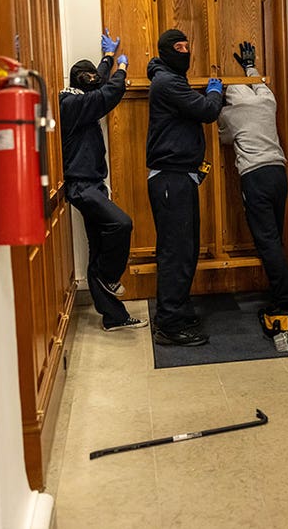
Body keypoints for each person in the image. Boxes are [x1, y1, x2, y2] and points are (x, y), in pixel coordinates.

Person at [60, 29, 147, 331]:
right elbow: (107, 93)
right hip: (82, 186)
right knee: (121, 224)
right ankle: (110, 277)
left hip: (93, 183)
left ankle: (114, 317)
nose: (95, 79)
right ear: (82, 81)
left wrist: (108, 58)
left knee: (97, 248)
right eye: (91, 77)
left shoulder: (79, 97)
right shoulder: (72, 104)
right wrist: (122, 69)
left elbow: (96, 82)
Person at [146, 29, 225, 346]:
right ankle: (169, 324)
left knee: (184, 250)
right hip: (171, 179)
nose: (185, 51)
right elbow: (207, 111)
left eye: (187, 46)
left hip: (178, 177)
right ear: (166, 51)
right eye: (178, 47)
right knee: (176, 253)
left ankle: (176, 311)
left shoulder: (169, 79)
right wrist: (215, 92)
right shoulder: (168, 82)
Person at [218, 41, 288, 315]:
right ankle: (282, 293)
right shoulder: (267, 102)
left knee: (266, 241)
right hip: (278, 172)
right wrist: (249, 66)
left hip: (255, 176)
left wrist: (217, 101)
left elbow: (223, 138)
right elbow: (260, 85)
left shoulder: (231, 114)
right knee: (275, 239)